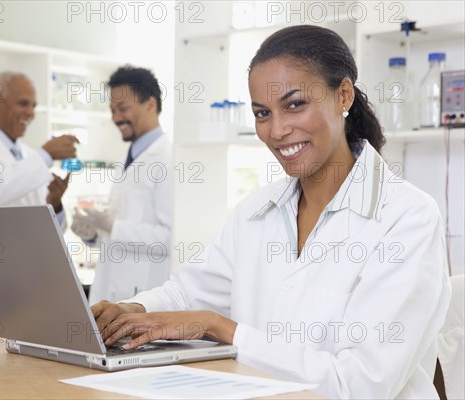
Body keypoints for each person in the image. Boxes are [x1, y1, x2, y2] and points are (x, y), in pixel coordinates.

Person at [91, 26, 451, 398]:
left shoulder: (406, 218)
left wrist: (219, 327)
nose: (277, 130)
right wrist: (133, 309)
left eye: (295, 105)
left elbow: (359, 385)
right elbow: (187, 293)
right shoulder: (256, 211)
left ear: (343, 95)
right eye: (263, 113)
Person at [0, 71, 78, 315]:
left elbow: (41, 226)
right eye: (23, 103)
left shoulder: (27, 154)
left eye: (33, 106)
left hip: (30, 284)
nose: (30, 113)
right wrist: (45, 156)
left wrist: (55, 206)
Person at [71, 66, 173, 305]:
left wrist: (112, 226)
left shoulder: (168, 159)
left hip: (144, 295)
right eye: (113, 110)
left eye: (123, 109)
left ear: (150, 104)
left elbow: (171, 239)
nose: (116, 118)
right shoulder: (127, 157)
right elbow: (123, 229)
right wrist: (93, 233)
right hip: (112, 291)